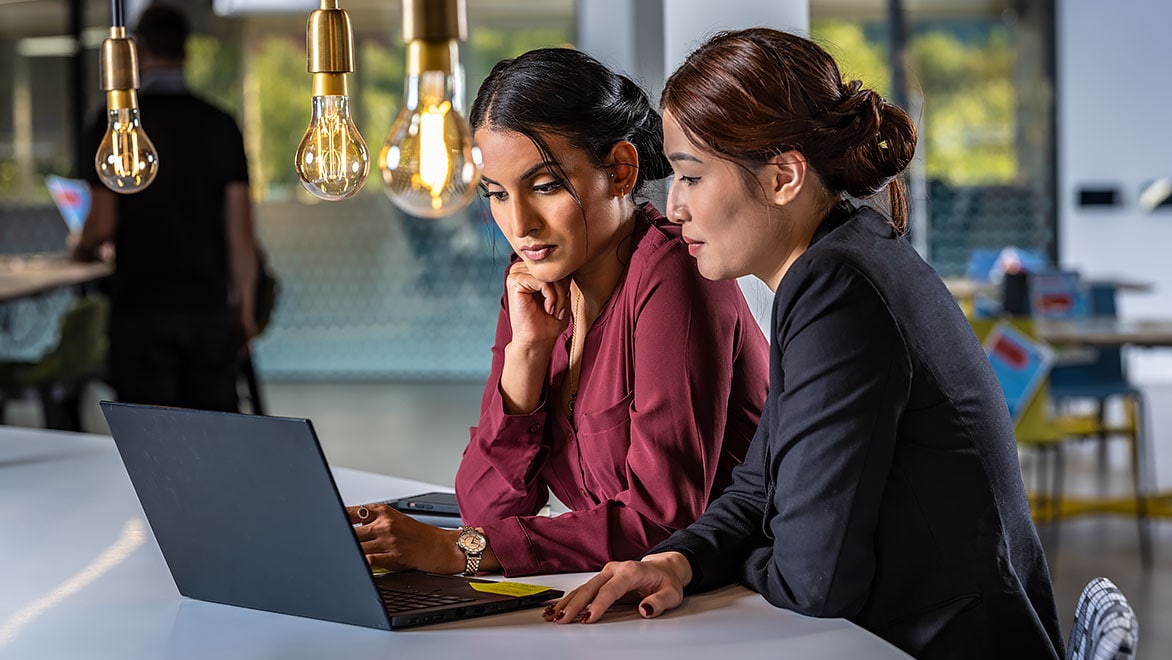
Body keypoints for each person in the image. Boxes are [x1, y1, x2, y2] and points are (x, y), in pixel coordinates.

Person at [545, 28, 1065, 659]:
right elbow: (758, 486)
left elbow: (814, 579)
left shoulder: (839, 289)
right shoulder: (840, 259)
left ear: (784, 177)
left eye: (691, 177)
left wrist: (745, 557)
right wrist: (680, 560)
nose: (674, 207)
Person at [344, 48, 769, 578]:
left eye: (544, 187)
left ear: (619, 170)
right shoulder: (535, 285)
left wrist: (457, 550)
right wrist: (526, 354)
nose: (519, 224)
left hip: (734, 598)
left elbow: (665, 520)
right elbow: (488, 511)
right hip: (622, 595)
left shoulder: (676, 276)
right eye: (497, 194)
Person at [73, 5, 257, 412]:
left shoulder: (112, 130)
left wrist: (80, 249)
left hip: (141, 307)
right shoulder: (219, 124)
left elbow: (100, 224)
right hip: (207, 308)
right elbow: (241, 234)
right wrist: (244, 310)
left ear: (135, 51)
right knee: (213, 437)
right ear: (186, 53)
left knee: (150, 443)